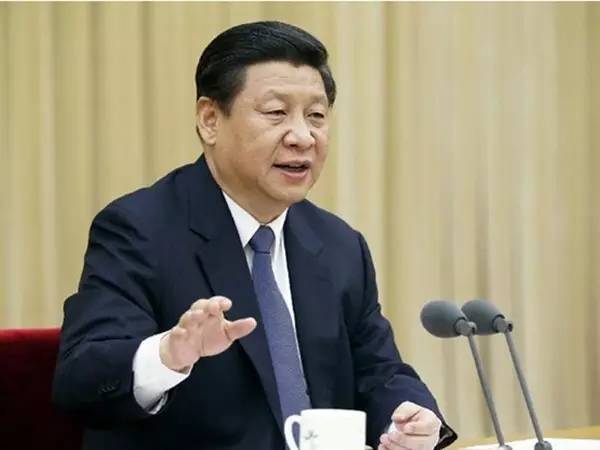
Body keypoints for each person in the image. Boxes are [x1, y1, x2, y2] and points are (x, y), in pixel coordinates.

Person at [53, 21, 457, 450]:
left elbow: (378, 371)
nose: (302, 136)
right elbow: (82, 379)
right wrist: (168, 355)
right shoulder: (139, 230)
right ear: (210, 120)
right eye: (276, 113)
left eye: (316, 116)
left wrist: (410, 418)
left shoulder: (339, 245)